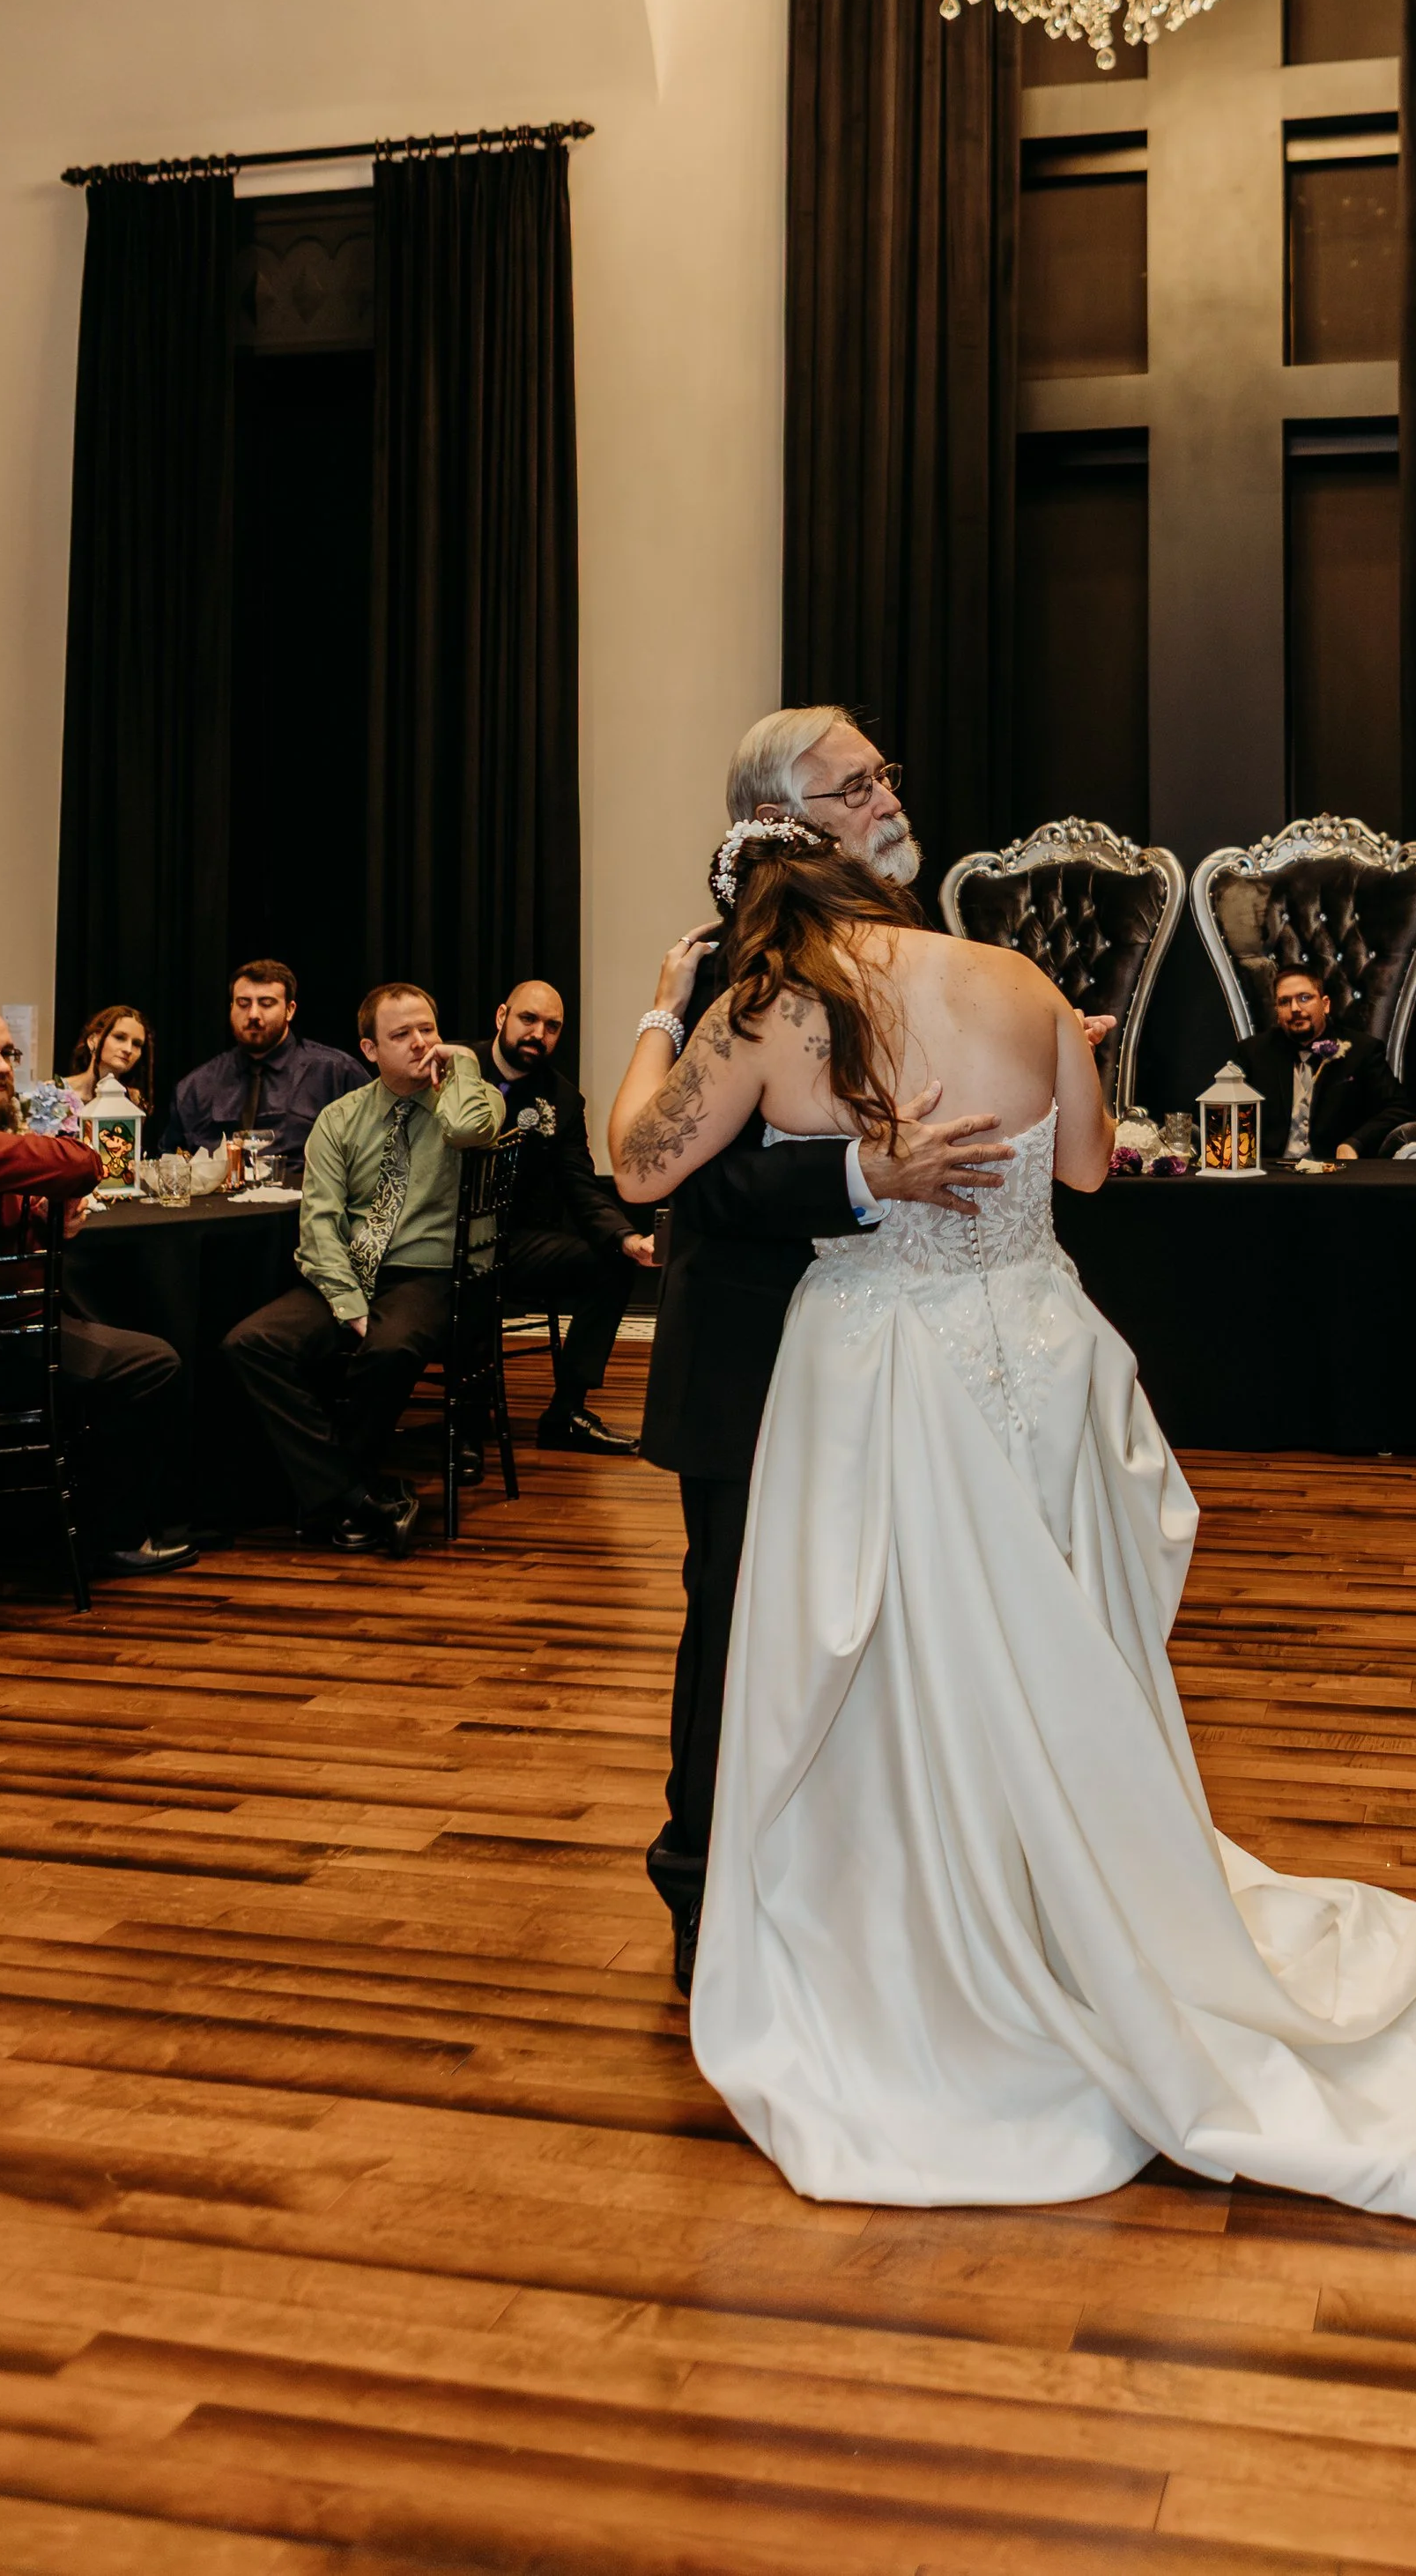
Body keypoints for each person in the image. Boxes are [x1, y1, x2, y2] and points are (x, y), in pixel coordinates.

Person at [608, 820, 1416, 2229]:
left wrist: (662, 1014)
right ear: (880, 892)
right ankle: (1075, 1902)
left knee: (906, 1662)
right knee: (1056, 1654)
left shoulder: (773, 1005)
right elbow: (1092, 1171)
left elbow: (639, 1167)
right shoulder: (1023, 982)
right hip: (1042, 1355)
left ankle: (935, 1938)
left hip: (881, 1366)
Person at [618, 707, 1034, 1988]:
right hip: (752, 1355)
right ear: (786, 822)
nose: (889, 799)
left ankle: (867, 1887)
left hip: (893, 1353)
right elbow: (688, 1178)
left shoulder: (928, 952)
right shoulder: (744, 969)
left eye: (885, 774)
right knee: (736, 1621)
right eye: (859, 786)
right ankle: (702, 1895)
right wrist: (860, 1174)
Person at [224, 983, 501, 1556]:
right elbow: (320, 1221)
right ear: (370, 1049)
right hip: (351, 1271)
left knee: (390, 1348)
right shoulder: (340, 1118)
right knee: (251, 1343)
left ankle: (332, 1496)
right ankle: (354, 1496)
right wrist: (347, 1302)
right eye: (401, 1035)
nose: (421, 1042)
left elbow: (472, 1132)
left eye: (428, 1029)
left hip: (426, 1272)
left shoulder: (469, 1096)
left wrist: (466, 1063)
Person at [0, 1003, 195, 1577]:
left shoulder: (1, 1128)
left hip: (17, 1321)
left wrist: (41, 1213)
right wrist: (58, 1184)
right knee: (153, 1363)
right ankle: (113, 1535)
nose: (2, 1067)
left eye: (7, 1053)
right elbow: (77, 1160)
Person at [478, 976, 655, 1455]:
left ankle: (567, 1412)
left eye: (552, 1026)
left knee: (613, 1263)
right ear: (502, 1018)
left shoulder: (562, 1099)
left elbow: (580, 1184)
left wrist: (625, 1238)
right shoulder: (454, 1068)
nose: (539, 1033)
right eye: (528, 1019)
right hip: (435, 1237)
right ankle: (468, 1417)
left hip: (514, 1240)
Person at [166, 960, 364, 1159]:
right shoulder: (196, 1086)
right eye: (243, 1003)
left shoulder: (336, 1073)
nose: (253, 1014)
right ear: (231, 1007)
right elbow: (169, 1163)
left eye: (266, 1003)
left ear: (290, 1010)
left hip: (305, 1188)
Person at [1234, 963, 1416, 1163]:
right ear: (1277, 1011)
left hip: (1336, 1174)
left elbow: (1398, 1107)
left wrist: (1355, 1142)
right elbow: (1220, 1107)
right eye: (1284, 1002)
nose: (1295, 1008)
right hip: (1269, 1174)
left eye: (1304, 998)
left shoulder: (1362, 1050)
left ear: (1325, 1004)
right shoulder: (1253, 1053)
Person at [61, 1003, 155, 1114]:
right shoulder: (55, 1093)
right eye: (119, 1037)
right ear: (92, 1040)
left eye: (137, 1044)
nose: (128, 1049)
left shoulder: (134, 1099)